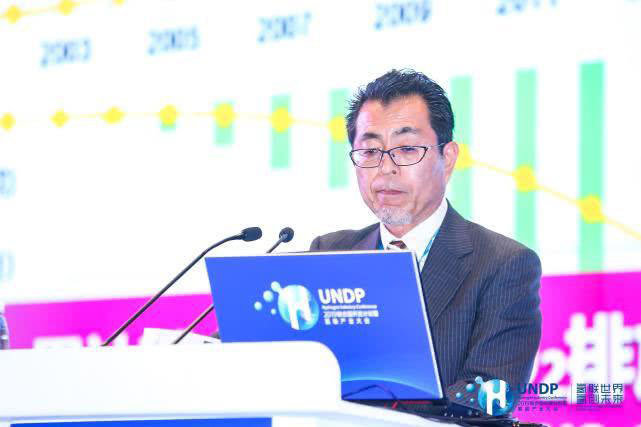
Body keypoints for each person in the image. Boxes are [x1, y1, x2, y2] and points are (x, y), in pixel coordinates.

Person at [309, 69, 541, 402]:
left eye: (406, 149)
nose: (386, 168)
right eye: (370, 151)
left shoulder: (503, 265)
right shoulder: (329, 254)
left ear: (448, 158)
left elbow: (490, 395)